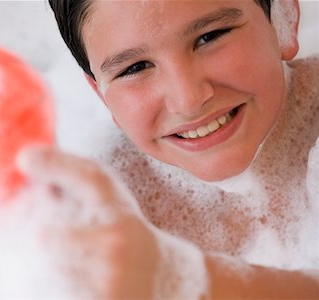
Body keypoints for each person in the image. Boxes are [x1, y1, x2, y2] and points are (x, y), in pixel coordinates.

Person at [18, 0, 319, 298]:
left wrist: (186, 281)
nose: (188, 100)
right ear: (101, 94)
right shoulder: (103, 208)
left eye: (210, 36)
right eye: (135, 68)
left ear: (284, 19)